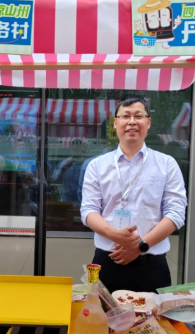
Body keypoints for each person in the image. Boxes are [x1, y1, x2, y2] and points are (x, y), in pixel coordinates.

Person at [80, 95, 187, 293]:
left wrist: (141, 246)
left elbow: (176, 213)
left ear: (148, 122)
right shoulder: (97, 165)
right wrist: (117, 236)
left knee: (153, 314)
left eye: (138, 116)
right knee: (101, 313)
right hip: (107, 261)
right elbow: (88, 210)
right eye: (125, 116)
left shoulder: (166, 164)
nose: (132, 122)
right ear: (115, 123)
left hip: (152, 265)